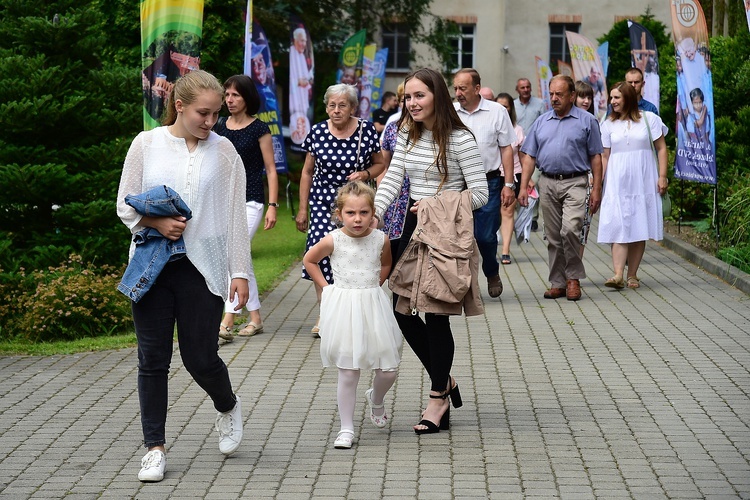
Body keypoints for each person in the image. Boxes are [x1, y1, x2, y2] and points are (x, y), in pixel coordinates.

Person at [116, 70, 249, 482]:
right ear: (179, 106)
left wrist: (240, 271)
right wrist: (155, 222)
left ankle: (227, 406)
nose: (211, 121)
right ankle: (154, 448)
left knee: (200, 358)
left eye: (215, 114)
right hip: (152, 266)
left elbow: (234, 216)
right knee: (152, 360)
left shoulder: (225, 152)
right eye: (203, 113)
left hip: (204, 268)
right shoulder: (147, 143)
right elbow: (124, 204)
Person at [374, 68, 488, 434]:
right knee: (402, 309)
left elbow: (481, 194)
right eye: (408, 97)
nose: (412, 103)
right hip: (412, 227)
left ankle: (437, 397)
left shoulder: (461, 139)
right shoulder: (407, 132)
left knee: (437, 313)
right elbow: (394, 177)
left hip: (444, 231)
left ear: (438, 95)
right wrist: (372, 214)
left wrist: (436, 205)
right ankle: (446, 379)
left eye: (419, 96)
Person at [302, 181, 402, 449]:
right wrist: (327, 289)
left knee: (389, 369)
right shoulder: (334, 239)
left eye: (364, 213)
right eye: (351, 213)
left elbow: (386, 263)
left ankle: (376, 399)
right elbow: (309, 260)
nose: (357, 219)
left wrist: (374, 284)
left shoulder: (380, 239)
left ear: (373, 213)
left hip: (373, 304)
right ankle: (346, 428)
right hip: (344, 306)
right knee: (348, 371)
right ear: (339, 214)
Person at [296, 84, 384, 336]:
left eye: (342, 105)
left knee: (354, 254)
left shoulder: (365, 130)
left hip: (355, 203)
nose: (336, 110)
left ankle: (355, 312)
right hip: (323, 201)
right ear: (326, 107)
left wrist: (365, 173)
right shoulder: (317, 132)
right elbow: (307, 172)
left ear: (353, 108)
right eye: (332, 105)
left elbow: (380, 164)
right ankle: (326, 313)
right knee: (320, 254)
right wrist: (303, 209)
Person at [518, 75, 603, 301]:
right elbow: (529, 156)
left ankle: (573, 278)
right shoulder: (542, 121)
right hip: (547, 181)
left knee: (571, 229)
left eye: (559, 94)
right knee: (554, 236)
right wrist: (523, 186)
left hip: (576, 181)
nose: (554, 99)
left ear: (572, 96)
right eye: (551, 94)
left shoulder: (587, 121)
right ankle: (558, 282)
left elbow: (596, 157)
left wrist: (597, 189)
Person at [214, 75, 279, 340]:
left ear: (247, 98)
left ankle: (227, 321)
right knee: (243, 258)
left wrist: (273, 205)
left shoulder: (259, 129)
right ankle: (256, 319)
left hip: (251, 200)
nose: (229, 100)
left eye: (235, 95)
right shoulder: (218, 127)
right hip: (223, 201)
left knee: (234, 255)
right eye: (227, 95)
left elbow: (271, 170)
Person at [598, 82, 668, 290]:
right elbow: (604, 155)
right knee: (618, 224)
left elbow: (661, 149)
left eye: (616, 98)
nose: (612, 102)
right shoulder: (608, 123)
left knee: (639, 224)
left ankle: (632, 275)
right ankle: (618, 274)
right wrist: (599, 181)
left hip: (643, 180)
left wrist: (662, 176)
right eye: (611, 98)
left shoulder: (650, 120)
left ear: (628, 98)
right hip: (617, 181)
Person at [453, 68, 516, 296]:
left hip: (488, 181)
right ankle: (462, 285)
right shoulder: (450, 112)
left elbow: (506, 148)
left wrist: (509, 185)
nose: (458, 93)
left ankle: (491, 271)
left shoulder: (497, 111)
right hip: (457, 183)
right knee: (458, 237)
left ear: (477, 88)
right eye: (456, 88)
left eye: (463, 88)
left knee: (485, 237)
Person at [378, 82, 410, 262]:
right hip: (396, 193)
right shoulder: (392, 127)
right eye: (405, 98)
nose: (409, 102)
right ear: (399, 102)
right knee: (393, 241)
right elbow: (384, 165)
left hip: (420, 194)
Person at [494, 92, 525, 265]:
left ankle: (505, 250)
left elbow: (522, 157)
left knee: (507, 212)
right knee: (492, 215)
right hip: (491, 175)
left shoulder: (517, 130)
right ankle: (490, 247)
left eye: (505, 105)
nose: (502, 108)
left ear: (510, 108)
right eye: (499, 105)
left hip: (512, 175)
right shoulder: (489, 126)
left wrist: (527, 181)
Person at [514, 78, 547, 231]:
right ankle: (519, 215)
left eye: (528, 87)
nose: (526, 90)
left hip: (535, 151)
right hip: (517, 151)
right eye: (522, 87)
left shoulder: (539, 104)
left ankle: (533, 217)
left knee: (533, 183)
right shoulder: (513, 105)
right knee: (518, 184)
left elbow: (545, 124)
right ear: (517, 89)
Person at [573, 81, 595, 258]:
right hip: (565, 178)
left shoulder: (593, 121)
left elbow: (599, 155)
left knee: (583, 227)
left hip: (588, 179)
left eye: (589, 97)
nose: (586, 101)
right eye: (582, 96)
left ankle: (575, 270)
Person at [289, 27, 313, 119]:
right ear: (295, 40)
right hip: (294, 99)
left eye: (305, 41)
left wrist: (308, 80)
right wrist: (298, 82)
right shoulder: (291, 53)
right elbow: (291, 78)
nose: (304, 44)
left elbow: (306, 76)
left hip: (303, 97)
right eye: (302, 41)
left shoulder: (301, 55)